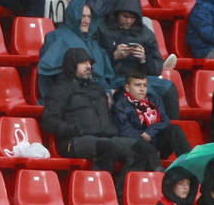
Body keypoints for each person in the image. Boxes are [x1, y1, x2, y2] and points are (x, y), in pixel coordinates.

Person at [44, 47, 159, 197]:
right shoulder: (60, 89)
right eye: (83, 63)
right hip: (74, 140)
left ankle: (122, 195)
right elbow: (49, 121)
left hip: (105, 138)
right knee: (106, 147)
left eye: (90, 63)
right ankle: (97, 196)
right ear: (72, 65)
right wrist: (78, 130)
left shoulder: (97, 89)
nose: (88, 66)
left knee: (143, 148)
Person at [113, 68, 189, 159]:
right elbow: (124, 131)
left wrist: (151, 131)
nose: (142, 89)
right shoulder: (120, 104)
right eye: (138, 85)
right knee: (141, 144)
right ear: (127, 88)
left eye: (145, 85)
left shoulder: (155, 99)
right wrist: (144, 136)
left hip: (157, 140)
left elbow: (165, 121)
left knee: (174, 130)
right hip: (138, 145)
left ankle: (189, 162)